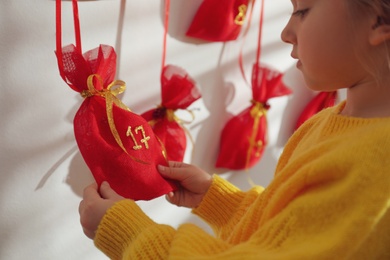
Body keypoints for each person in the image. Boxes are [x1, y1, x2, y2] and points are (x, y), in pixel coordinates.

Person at [78, 0, 390, 258]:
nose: (285, 33)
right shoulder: (336, 121)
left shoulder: (377, 170)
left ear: (378, 22)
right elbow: (287, 228)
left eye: (303, 10)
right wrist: (218, 202)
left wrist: (130, 235)